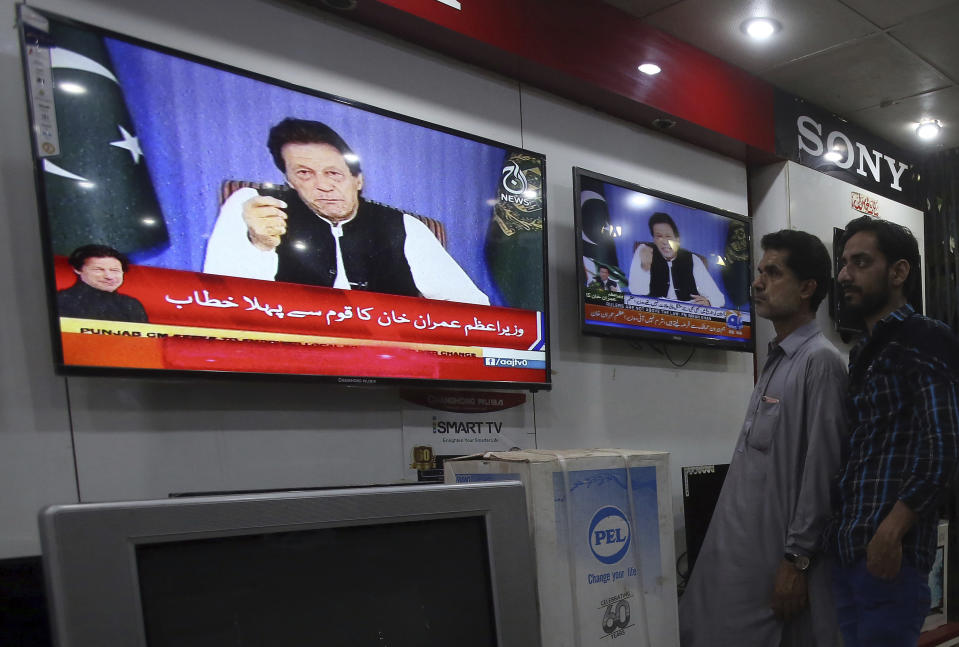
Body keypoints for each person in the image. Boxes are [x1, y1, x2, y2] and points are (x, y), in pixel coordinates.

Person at [680, 230, 847, 647]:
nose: (757, 283)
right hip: (737, 565)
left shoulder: (821, 363)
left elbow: (822, 474)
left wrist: (797, 560)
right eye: (759, 272)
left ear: (807, 288)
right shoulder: (777, 359)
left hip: (776, 570)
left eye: (772, 272)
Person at [825, 216, 959, 647]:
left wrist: (891, 530)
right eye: (844, 263)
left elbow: (942, 446)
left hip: (889, 554)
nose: (845, 274)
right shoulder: (862, 349)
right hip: (851, 549)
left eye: (860, 261)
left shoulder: (924, 336)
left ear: (899, 272)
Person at [203, 118, 489, 305]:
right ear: (289, 180)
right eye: (304, 173)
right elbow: (218, 302)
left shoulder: (404, 226)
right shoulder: (254, 205)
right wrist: (260, 247)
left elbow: (471, 307)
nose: (322, 186)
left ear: (358, 180)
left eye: (334, 173)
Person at [627, 212, 724, 306]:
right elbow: (636, 292)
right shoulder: (644, 250)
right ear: (654, 240)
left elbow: (719, 298)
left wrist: (709, 302)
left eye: (668, 236)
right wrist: (645, 267)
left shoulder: (693, 259)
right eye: (659, 236)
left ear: (677, 240)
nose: (664, 242)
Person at [57, 244, 148, 323]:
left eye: (114, 270)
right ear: (77, 269)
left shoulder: (131, 304)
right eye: (98, 270)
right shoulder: (61, 300)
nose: (109, 276)